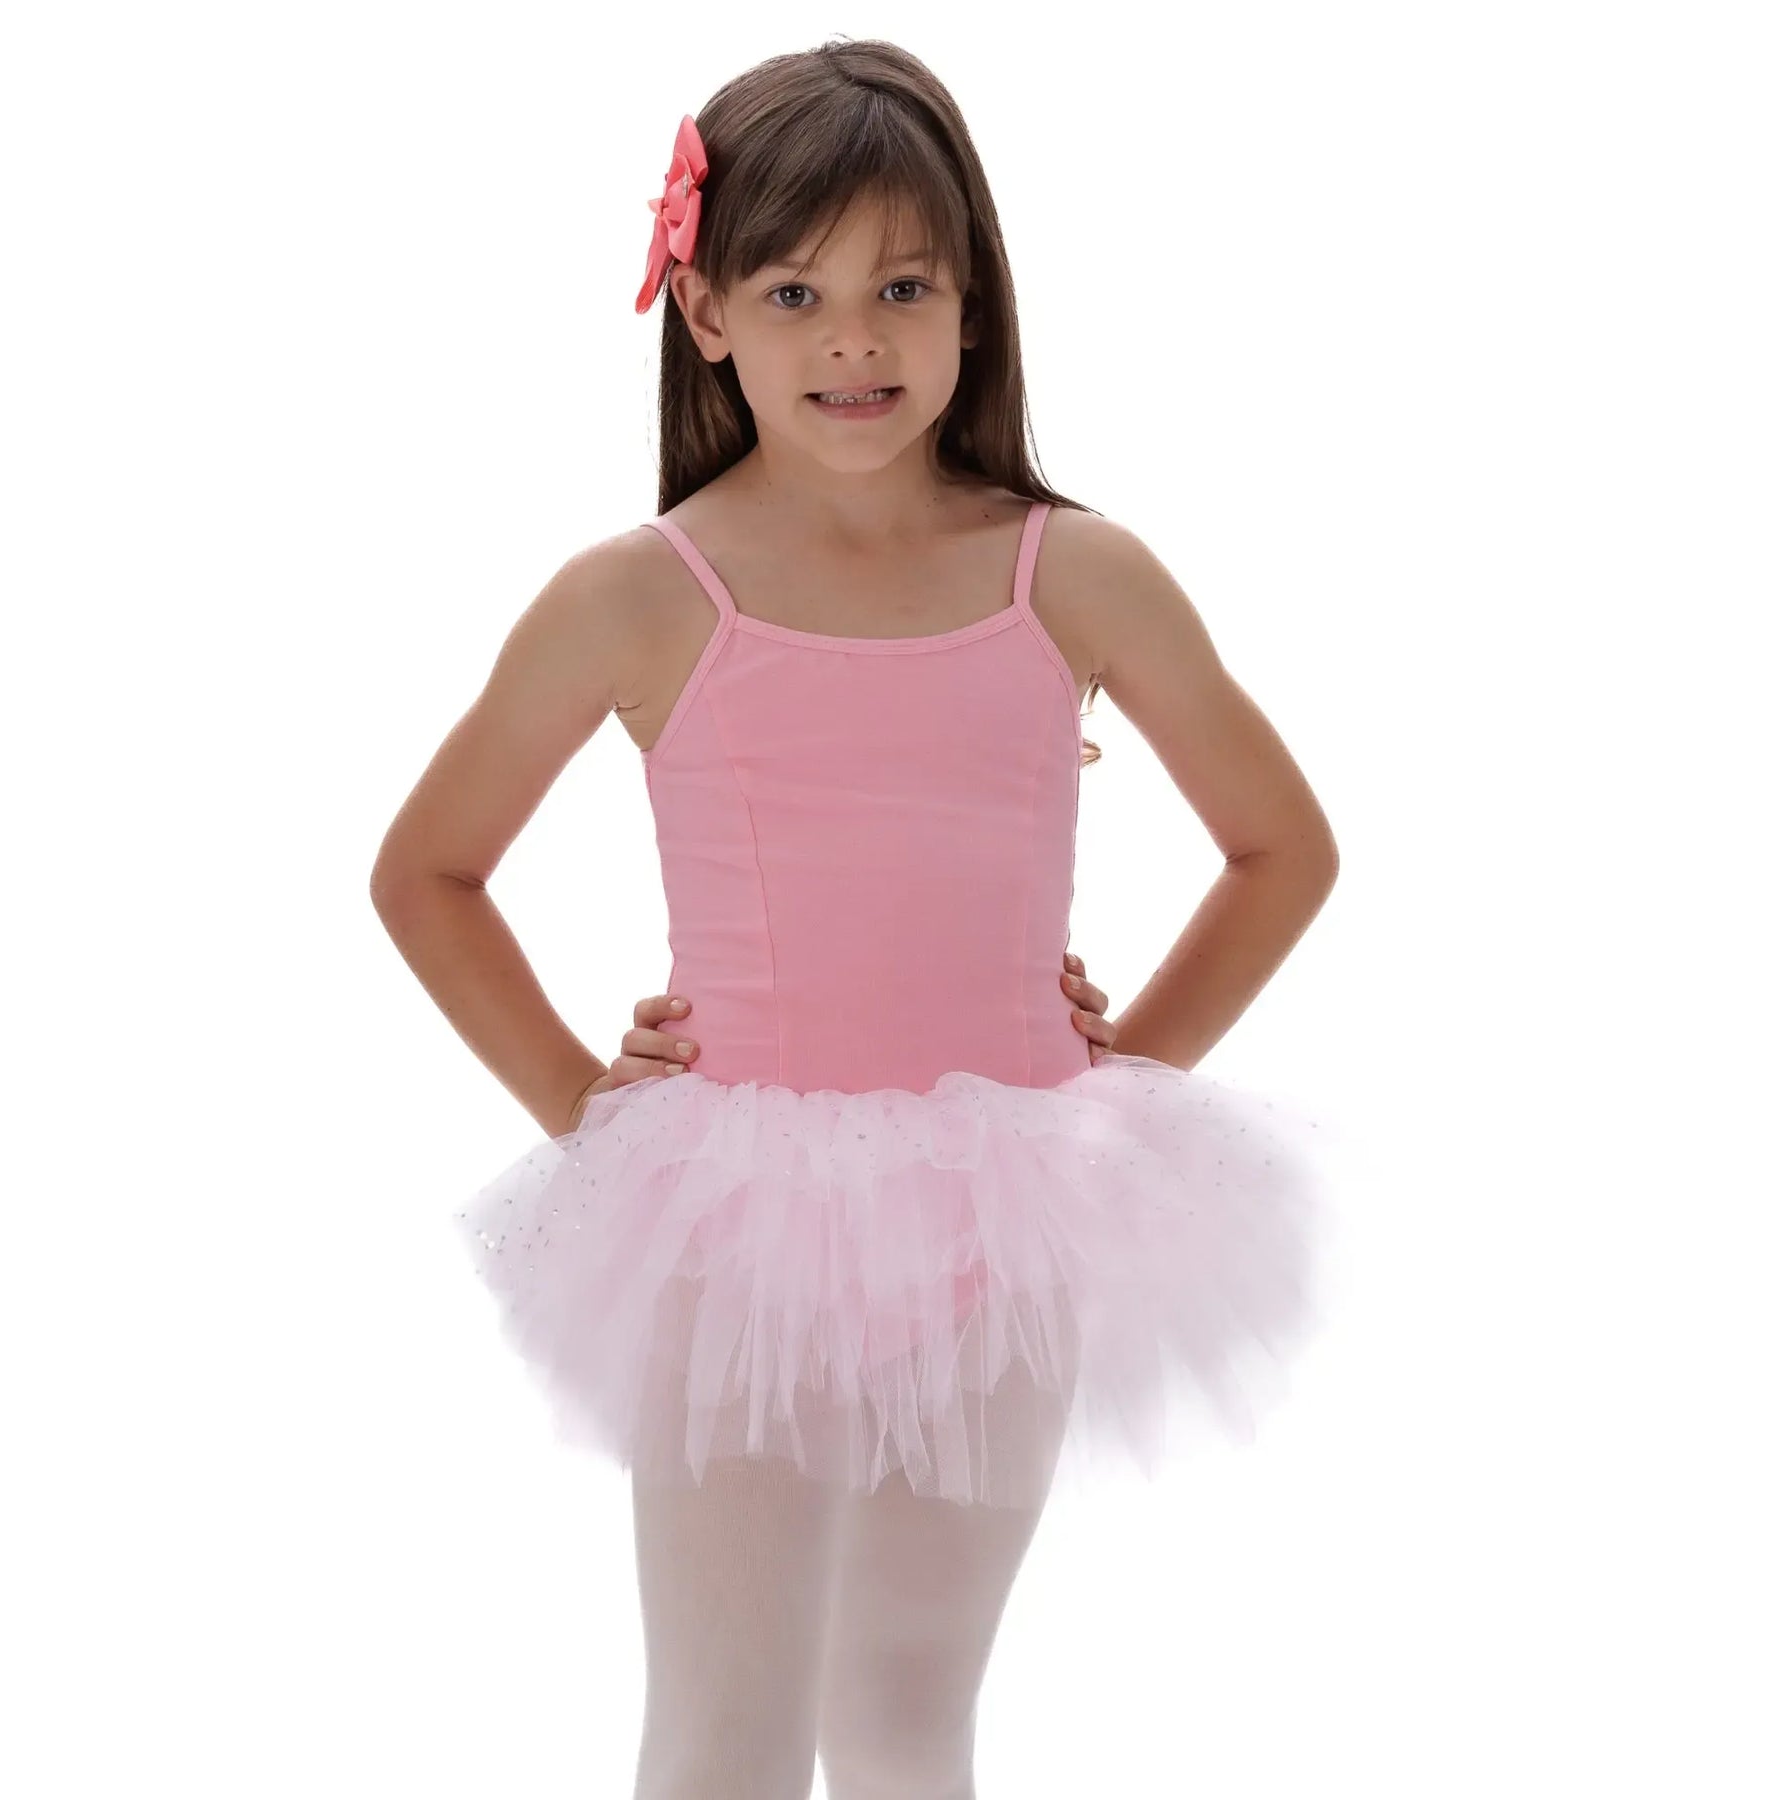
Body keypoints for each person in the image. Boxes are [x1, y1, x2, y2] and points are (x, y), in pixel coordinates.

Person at [370, 36, 1341, 1800]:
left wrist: (1125, 1073)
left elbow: (1283, 847)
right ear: (706, 311)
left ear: (973, 302)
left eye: (903, 287)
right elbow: (426, 871)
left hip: (1002, 1220)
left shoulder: (1072, 573)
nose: (854, 342)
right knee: (724, 1733)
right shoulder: (642, 595)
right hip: (735, 1228)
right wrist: (582, 1103)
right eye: (795, 293)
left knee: (908, 1716)